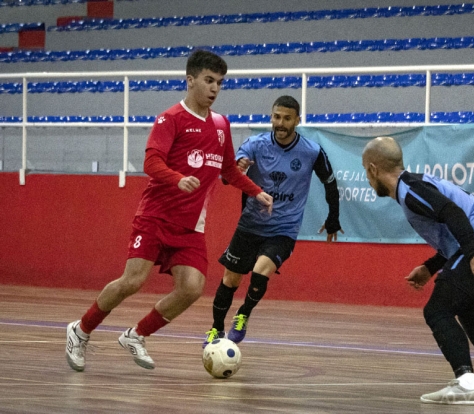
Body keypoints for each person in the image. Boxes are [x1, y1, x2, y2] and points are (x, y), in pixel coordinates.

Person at [65, 49, 273, 372]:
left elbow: (229, 171)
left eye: (219, 82)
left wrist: (257, 191)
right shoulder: (170, 119)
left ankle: (136, 334)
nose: (215, 88)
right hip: (155, 216)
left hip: (190, 226)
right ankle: (80, 330)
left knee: (191, 288)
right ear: (190, 81)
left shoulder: (221, 125)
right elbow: (151, 162)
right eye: (208, 80)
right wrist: (178, 180)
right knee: (132, 281)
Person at [362, 136, 474, 405]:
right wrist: (431, 266)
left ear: (372, 169)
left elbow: (452, 213)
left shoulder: (410, 190)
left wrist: (473, 253)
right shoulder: (416, 184)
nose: (367, 179)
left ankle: (465, 383)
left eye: (365, 172)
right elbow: (451, 229)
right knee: (461, 304)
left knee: (437, 310)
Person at [203, 95, 343, 346]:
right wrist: (239, 168)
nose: (280, 123)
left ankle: (243, 314)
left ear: (297, 121)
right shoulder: (254, 144)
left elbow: (330, 184)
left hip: (283, 230)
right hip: (249, 226)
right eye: (276, 117)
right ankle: (215, 329)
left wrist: (333, 218)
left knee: (260, 271)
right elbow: (227, 177)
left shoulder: (311, 151)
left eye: (287, 118)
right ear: (271, 116)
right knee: (229, 280)